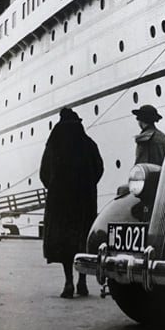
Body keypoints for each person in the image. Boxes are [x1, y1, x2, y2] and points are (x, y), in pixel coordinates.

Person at [40, 108, 103, 299]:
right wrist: (88, 185)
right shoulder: (89, 143)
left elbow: (44, 173)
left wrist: (54, 187)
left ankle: (68, 282)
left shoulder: (54, 144)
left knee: (64, 243)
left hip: (60, 203)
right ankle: (82, 282)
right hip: (84, 202)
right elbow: (99, 168)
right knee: (82, 241)